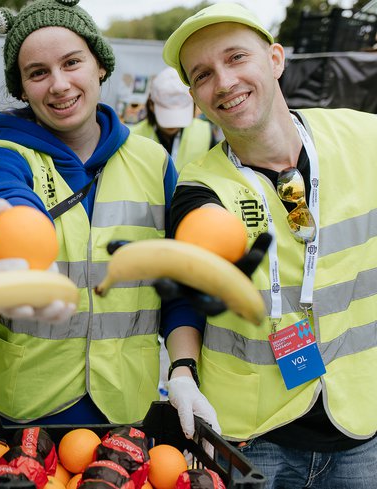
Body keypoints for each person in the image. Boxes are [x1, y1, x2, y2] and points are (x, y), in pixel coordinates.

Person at [162, 3, 377, 487]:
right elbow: (186, 280)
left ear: (276, 59)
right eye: (202, 75)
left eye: (236, 57)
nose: (223, 82)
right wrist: (181, 369)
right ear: (196, 97)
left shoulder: (366, 138)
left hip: (363, 426)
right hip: (255, 439)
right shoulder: (199, 185)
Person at [0, 0, 205, 428]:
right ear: (21, 88)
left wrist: (183, 369)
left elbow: (176, 282)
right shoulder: (1, 157)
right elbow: (0, 195)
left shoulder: (153, 161)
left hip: (127, 411)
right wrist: (15, 222)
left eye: (72, 62)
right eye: (38, 72)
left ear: (100, 66)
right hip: (21, 414)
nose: (59, 84)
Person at [129, 66, 215, 171]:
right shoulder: (133, 136)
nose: (173, 124)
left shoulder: (205, 132)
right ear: (151, 105)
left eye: (179, 115)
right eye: (167, 114)